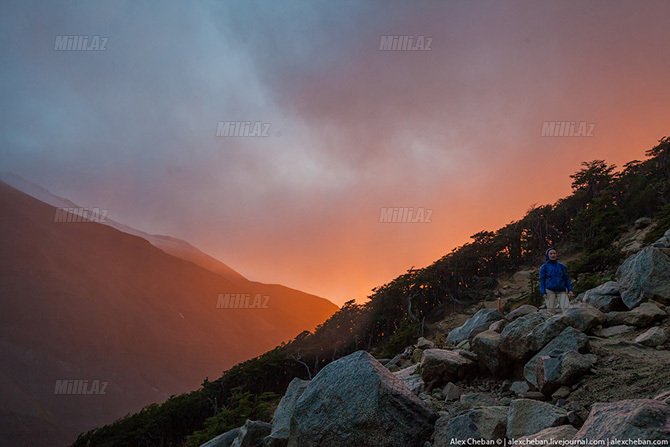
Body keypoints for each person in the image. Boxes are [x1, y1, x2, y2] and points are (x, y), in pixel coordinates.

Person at [539, 247, 574, 312]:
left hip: (561, 289)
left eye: (554, 253)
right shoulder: (544, 267)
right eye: (551, 254)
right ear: (548, 255)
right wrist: (543, 292)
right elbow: (541, 280)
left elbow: (566, 279)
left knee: (566, 308)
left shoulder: (562, 266)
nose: (553, 255)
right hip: (549, 289)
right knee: (551, 310)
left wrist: (570, 289)